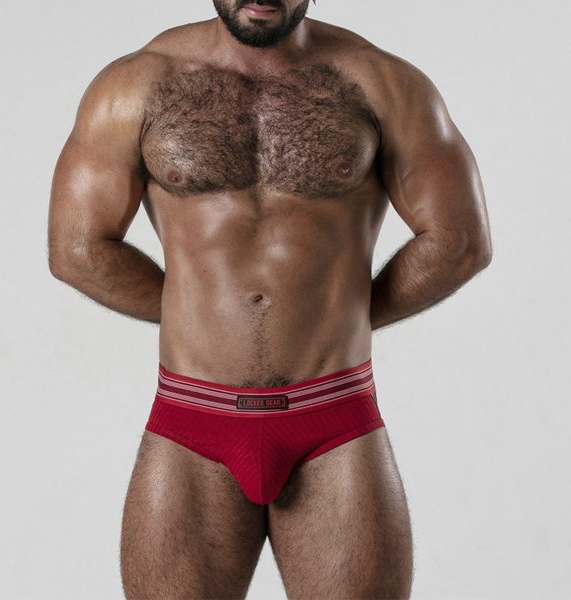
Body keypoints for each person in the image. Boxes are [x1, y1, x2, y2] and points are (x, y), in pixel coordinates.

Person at [47, 0, 492, 598]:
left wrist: (339, 316)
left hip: (334, 420)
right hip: (192, 422)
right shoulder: (135, 86)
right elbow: (77, 247)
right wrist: (194, 313)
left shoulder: (383, 84)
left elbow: (459, 241)